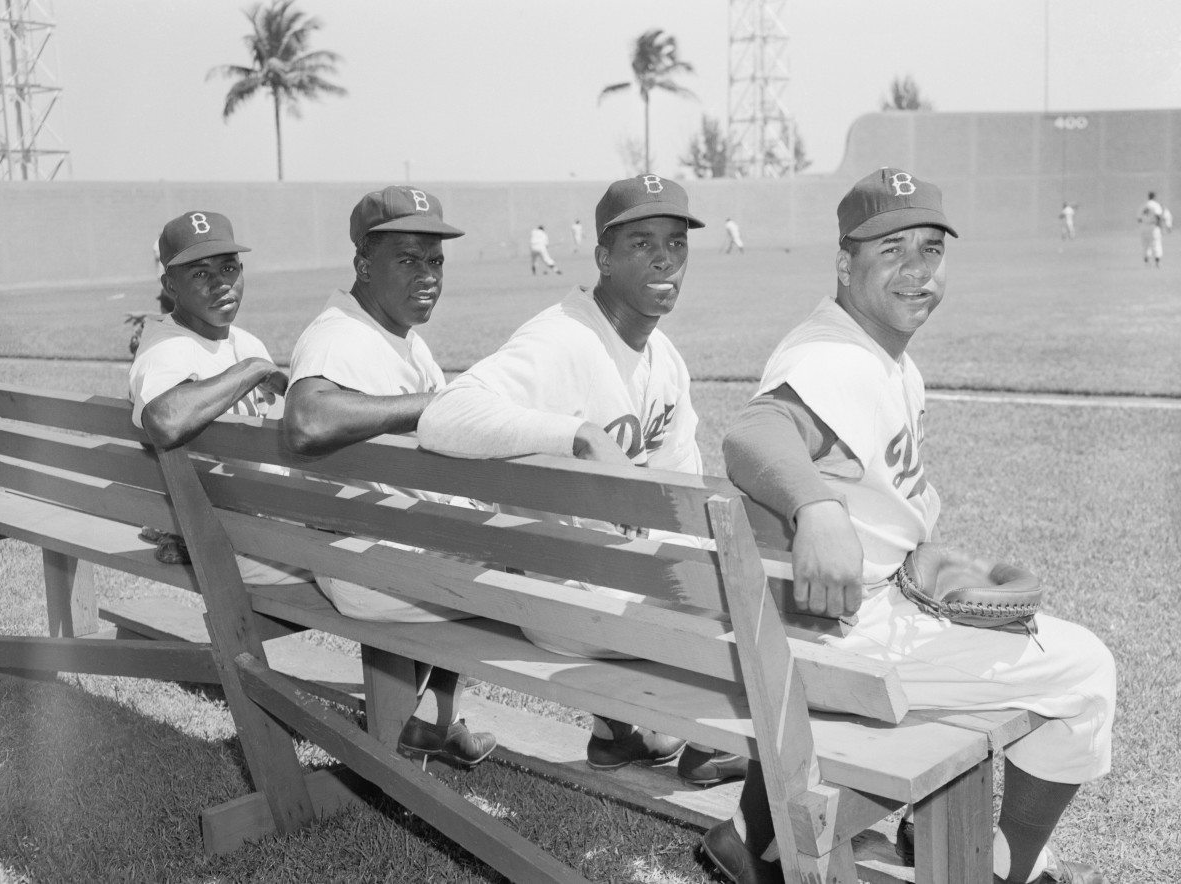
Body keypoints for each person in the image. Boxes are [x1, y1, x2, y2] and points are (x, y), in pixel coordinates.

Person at [699, 168, 1116, 884]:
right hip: (840, 637)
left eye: (930, 248)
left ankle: (752, 832)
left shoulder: (874, 352)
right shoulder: (834, 358)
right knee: (1085, 672)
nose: (918, 271)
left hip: (801, 627)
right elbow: (752, 433)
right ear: (844, 263)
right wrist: (818, 509)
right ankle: (1005, 865)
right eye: (891, 251)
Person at [419, 174, 746, 788]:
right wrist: (578, 434)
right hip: (565, 606)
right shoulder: (562, 339)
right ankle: (710, 740)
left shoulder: (663, 360)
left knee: (710, 571)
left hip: (599, 588)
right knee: (762, 611)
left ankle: (616, 732)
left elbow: (681, 492)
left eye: (675, 242)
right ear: (603, 257)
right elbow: (443, 414)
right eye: (641, 243)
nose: (664, 257)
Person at [282, 186, 496, 769]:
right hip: (363, 568)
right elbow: (307, 419)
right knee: (530, 553)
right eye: (407, 259)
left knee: (496, 527)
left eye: (435, 260)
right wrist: (438, 403)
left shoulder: (394, 336)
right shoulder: (338, 336)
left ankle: (431, 717)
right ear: (363, 265)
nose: (428, 275)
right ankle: (430, 717)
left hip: (373, 547)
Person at [128, 211, 310, 585]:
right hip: (229, 540)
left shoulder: (243, 341)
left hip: (262, 520)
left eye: (229, 269)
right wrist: (252, 370)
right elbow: (163, 421)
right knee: (370, 569)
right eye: (199, 274)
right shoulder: (166, 348)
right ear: (170, 285)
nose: (220, 284)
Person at [1137, 191, 1167, 267]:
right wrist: (1161, 226)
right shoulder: (1155, 205)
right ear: (1154, 197)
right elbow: (1158, 216)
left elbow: (1139, 219)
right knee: (1156, 244)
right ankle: (1157, 262)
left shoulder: (1143, 205)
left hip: (1143, 227)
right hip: (1153, 227)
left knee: (1145, 245)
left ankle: (1146, 262)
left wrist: (1145, 220)